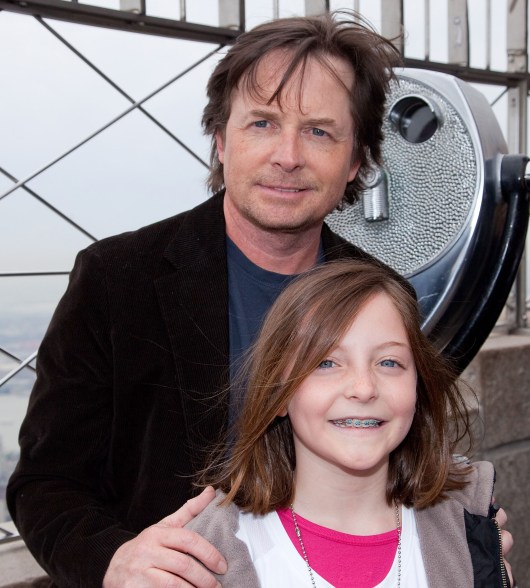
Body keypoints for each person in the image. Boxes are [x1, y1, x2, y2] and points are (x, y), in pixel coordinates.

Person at [6, 10, 513, 588]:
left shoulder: (379, 295)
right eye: (262, 124)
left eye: (319, 131)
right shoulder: (118, 279)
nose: (288, 155)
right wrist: (114, 561)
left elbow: (403, 453)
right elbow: (44, 483)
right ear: (221, 141)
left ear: (355, 163)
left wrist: (460, 531)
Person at [187, 259, 513, 587]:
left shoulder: (467, 532)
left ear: (419, 386)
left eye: (389, 362)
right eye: (327, 362)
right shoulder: (209, 553)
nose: (364, 388)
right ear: (279, 394)